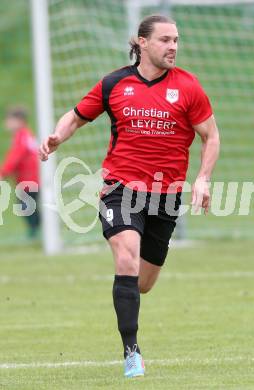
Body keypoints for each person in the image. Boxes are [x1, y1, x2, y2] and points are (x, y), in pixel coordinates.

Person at [39, 14, 220, 378]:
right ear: (141, 42)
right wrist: (58, 137)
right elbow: (74, 117)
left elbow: (210, 136)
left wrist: (202, 177)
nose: (173, 47)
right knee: (126, 257)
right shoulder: (114, 83)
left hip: (165, 196)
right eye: (165, 40)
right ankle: (131, 353)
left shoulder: (188, 87)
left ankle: (126, 298)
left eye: (176, 40)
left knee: (142, 283)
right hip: (120, 188)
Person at [0, 106, 40, 238]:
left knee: (25, 207)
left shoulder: (22, 136)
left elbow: (15, 157)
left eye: (9, 120)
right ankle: (38, 231)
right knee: (27, 207)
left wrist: (3, 172)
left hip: (29, 180)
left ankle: (36, 233)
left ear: (19, 121)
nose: (7, 123)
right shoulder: (25, 135)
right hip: (29, 179)